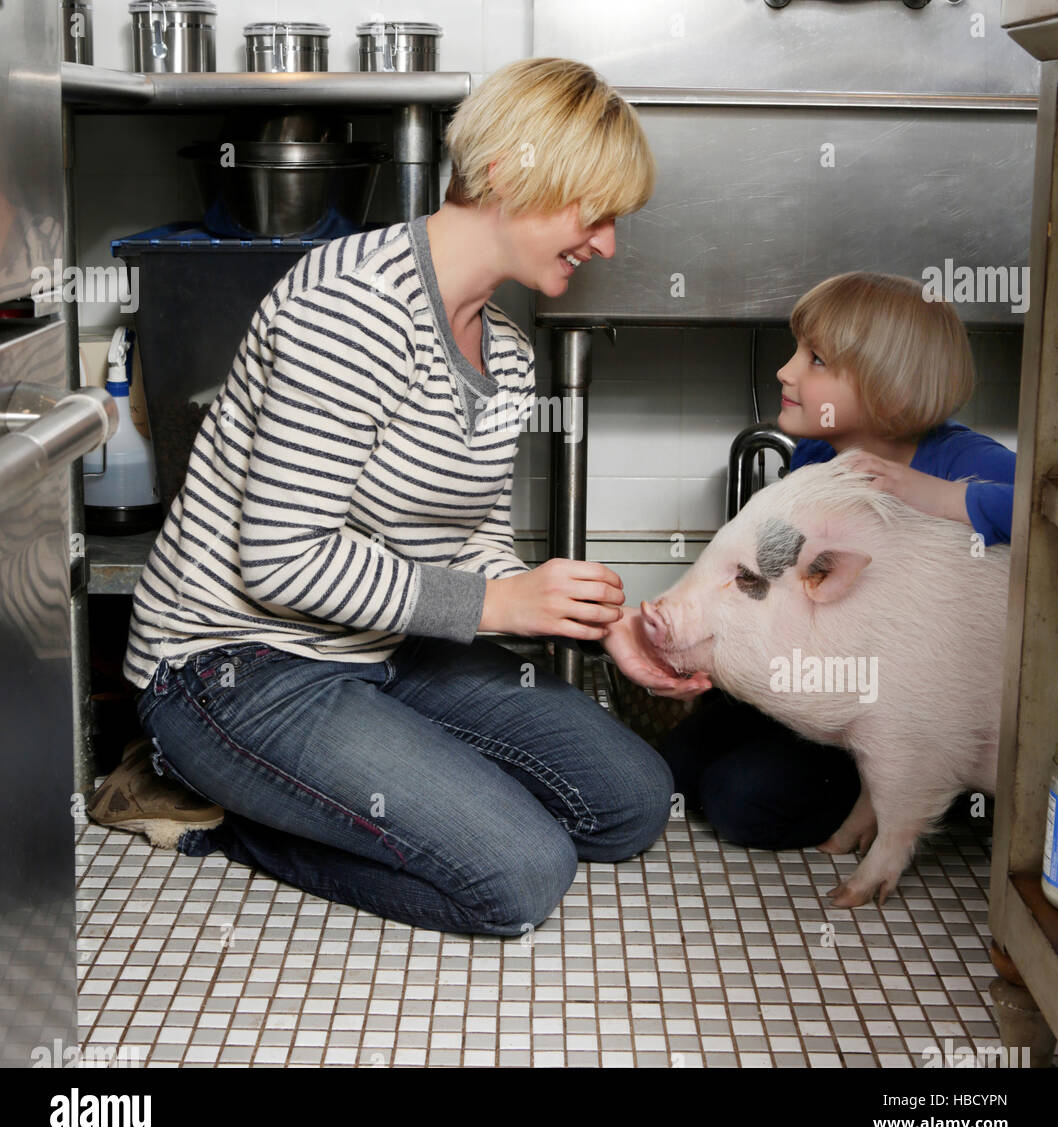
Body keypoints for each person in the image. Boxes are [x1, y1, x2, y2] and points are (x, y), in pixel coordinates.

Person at [88, 57, 707, 937]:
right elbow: (281, 560)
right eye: (595, 212)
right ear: (506, 174)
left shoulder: (507, 351)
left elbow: (472, 539)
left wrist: (586, 621)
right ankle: (207, 807)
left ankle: (362, 774)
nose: (606, 243)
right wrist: (496, 604)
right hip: (235, 667)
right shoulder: (349, 307)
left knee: (633, 802)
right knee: (520, 874)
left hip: (387, 646)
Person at [660, 271, 1016, 851]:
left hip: (896, 717)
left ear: (889, 386)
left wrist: (936, 495)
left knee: (742, 801)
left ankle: (926, 794)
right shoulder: (818, 456)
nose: (787, 370)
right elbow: (773, 577)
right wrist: (701, 648)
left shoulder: (967, 462)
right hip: (820, 688)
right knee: (672, 766)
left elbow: (1039, 507)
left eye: (816, 359)